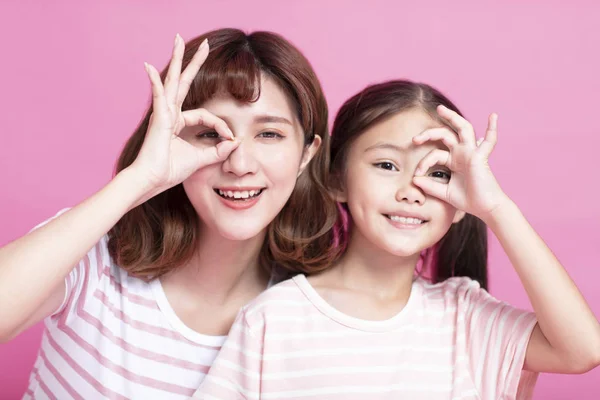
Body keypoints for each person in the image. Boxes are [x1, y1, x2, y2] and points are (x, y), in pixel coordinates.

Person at [197, 80, 600, 399]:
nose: (411, 190)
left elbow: (583, 350)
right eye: (387, 165)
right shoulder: (273, 319)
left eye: (438, 173)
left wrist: (495, 208)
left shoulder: (466, 317)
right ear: (337, 179)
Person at [0, 28, 336, 399]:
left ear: (307, 153)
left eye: (269, 134)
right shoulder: (93, 256)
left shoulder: (305, 313)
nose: (240, 164)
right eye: (211, 134)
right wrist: (140, 179)